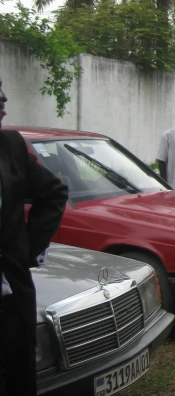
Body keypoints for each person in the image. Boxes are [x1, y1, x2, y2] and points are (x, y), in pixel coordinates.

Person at [0, 77, 67, 395]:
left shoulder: (10, 146)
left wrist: (25, 247)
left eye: (2, 97)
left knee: (17, 374)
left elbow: (53, 193)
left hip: (10, 296)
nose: (3, 107)